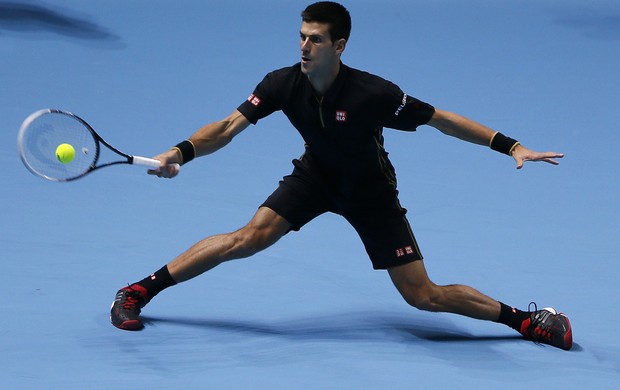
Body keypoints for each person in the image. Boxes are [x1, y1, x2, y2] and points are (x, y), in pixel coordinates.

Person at [110, 1, 572, 350]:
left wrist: (511, 146)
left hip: (371, 192)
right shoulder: (281, 83)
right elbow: (227, 127)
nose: (304, 46)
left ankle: (527, 320)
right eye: (301, 36)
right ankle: (137, 291)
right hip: (315, 176)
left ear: (339, 46)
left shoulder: (374, 93)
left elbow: (441, 119)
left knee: (423, 296)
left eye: (315, 39)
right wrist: (180, 152)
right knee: (246, 238)